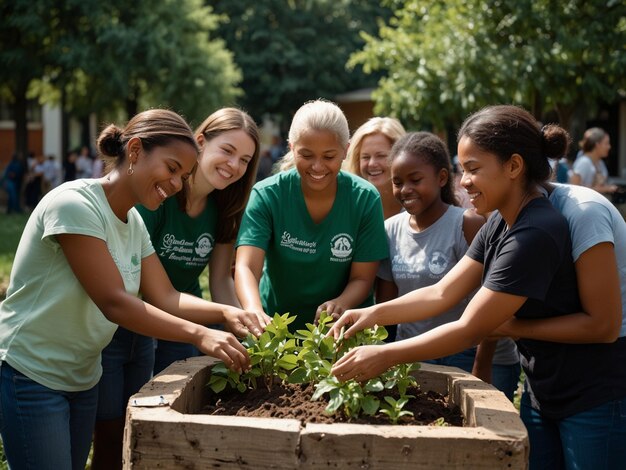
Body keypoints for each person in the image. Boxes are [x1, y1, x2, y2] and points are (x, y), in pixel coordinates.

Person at [329, 105, 626, 468]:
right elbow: (442, 292)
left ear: (514, 166)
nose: (462, 182)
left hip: (596, 389)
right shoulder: (501, 221)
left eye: (472, 169)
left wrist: (386, 355)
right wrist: (372, 313)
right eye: (461, 169)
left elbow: (471, 328)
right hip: (542, 382)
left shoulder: (543, 227)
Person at [0, 109, 265, 470]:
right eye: (171, 169)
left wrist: (227, 312)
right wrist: (200, 334)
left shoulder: (135, 221)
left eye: (183, 176)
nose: (175, 184)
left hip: (82, 377)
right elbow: (115, 302)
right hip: (32, 375)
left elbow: (165, 296)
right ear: (136, 151)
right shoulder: (74, 204)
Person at [92, 107, 267, 470]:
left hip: (184, 320)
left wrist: (241, 323)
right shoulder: (159, 193)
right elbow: (145, 288)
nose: (234, 165)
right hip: (133, 316)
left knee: (166, 417)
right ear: (201, 142)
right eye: (228, 151)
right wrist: (220, 317)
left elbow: (220, 279)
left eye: (245, 160)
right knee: (112, 425)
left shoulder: (226, 206)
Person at [378, 131, 520, 400]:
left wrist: (482, 363)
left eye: (415, 180)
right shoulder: (390, 230)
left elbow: (491, 302)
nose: (405, 189)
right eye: (397, 182)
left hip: (468, 355)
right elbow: (387, 308)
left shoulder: (467, 224)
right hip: (412, 353)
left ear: (442, 178)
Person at [234, 99, 389, 332]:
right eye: (306, 155)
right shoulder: (268, 195)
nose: (317, 167)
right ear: (291, 147)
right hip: (276, 328)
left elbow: (362, 279)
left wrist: (341, 304)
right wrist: (254, 310)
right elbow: (246, 266)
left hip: (341, 330)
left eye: (328, 157)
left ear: (346, 150)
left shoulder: (364, 199)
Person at [346, 117, 406, 220]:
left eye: (381, 156)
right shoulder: (349, 206)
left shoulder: (417, 205)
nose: (372, 163)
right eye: (365, 157)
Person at [570, 127, 617, 195]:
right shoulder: (584, 162)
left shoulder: (600, 163)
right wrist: (605, 189)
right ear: (597, 145)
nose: (609, 147)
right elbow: (574, 189)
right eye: (606, 143)